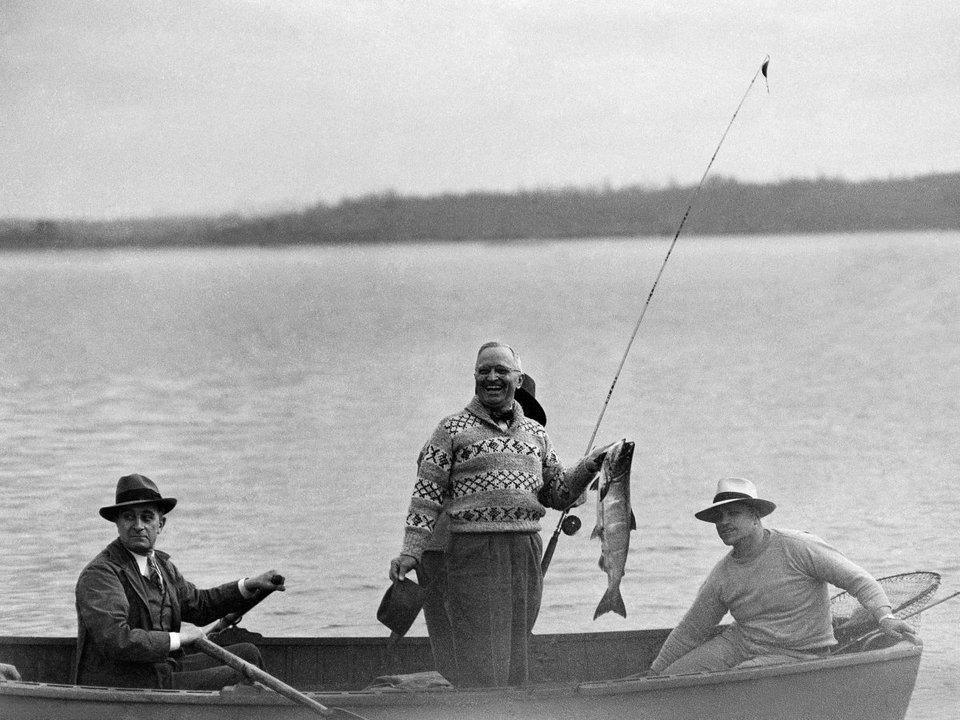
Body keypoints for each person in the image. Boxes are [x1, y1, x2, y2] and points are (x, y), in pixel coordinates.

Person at [389, 342, 608, 687]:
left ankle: (512, 708)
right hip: (473, 552)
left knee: (517, 653)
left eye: (502, 371)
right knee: (481, 658)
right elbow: (426, 496)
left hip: (525, 550)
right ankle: (482, 708)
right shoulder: (450, 430)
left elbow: (558, 493)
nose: (492, 377)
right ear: (475, 376)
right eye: (484, 370)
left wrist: (589, 466)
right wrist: (410, 552)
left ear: (518, 380)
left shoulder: (537, 434)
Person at [648, 477, 916, 675]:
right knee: (673, 677)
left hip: (798, 653)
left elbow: (859, 580)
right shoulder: (722, 574)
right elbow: (691, 630)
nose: (724, 522)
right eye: (719, 517)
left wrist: (885, 617)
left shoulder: (798, 547)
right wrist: (653, 673)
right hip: (740, 643)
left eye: (733, 513)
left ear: (755, 516)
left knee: (735, 682)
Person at [75, 473, 286, 689]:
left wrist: (248, 585)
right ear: (117, 523)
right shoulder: (100, 573)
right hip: (124, 682)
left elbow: (200, 606)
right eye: (129, 517)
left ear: (160, 524)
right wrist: (180, 638)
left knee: (248, 653)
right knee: (239, 674)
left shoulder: (162, 566)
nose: (138, 525)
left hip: (162, 670)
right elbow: (116, 639)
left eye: (147, 518)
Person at [417, 373, 548, 684]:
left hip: (444, 547)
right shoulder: (464, 435)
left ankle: (464, 692)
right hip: (455, 549)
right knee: (474, 641)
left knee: (467, 639)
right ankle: (472, 696)